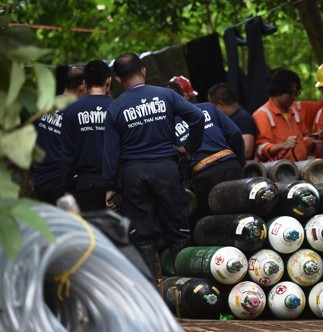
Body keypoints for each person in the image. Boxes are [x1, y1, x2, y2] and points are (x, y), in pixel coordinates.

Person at [101, 53, 205, 282]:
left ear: (117, 79)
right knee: (178, 229)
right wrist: (188, 147)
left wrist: (109, 186)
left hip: (133, 175)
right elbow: (196, 117)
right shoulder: (166, 95)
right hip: (166, 169)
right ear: (144, 71)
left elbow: (110, 153)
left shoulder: (115, 108)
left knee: (142, 235)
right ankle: (186, 288)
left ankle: (151, 291)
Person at [167, 80, 246, 224]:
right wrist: (239, 162)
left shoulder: (167, 127)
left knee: (217, 223)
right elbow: (235, 133)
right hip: (231, 165)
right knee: (248, 212)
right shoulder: (208, 108)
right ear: (184, 96)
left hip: (204, 176)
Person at [60, 60, 113, 212]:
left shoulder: (71, 110)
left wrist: (67, 187)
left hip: (85, 183)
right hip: (115, 183)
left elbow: (66, 153)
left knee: (88, 231)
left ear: (85, 82)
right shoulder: (117, 107)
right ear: (108, 81)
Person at [32, 66, 86, 204]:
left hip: (40, 180)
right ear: (83, 85)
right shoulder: (77, 112)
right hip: (62, 182)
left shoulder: (46, 104)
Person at [252, 68, 311, 162]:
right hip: (278, 172)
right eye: (291, 93)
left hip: (301, 168)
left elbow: (305, 137)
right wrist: (283, 145)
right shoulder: (262, 115)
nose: (294, 97)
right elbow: (261, 149)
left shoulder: (295, 113)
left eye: (296, 93)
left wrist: (311, 141)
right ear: (278, 90)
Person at [207, 83, 256, 159]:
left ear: (220, 104)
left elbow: (246, 152)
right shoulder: (231, 119)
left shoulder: (242, 118)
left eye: (213, 107)